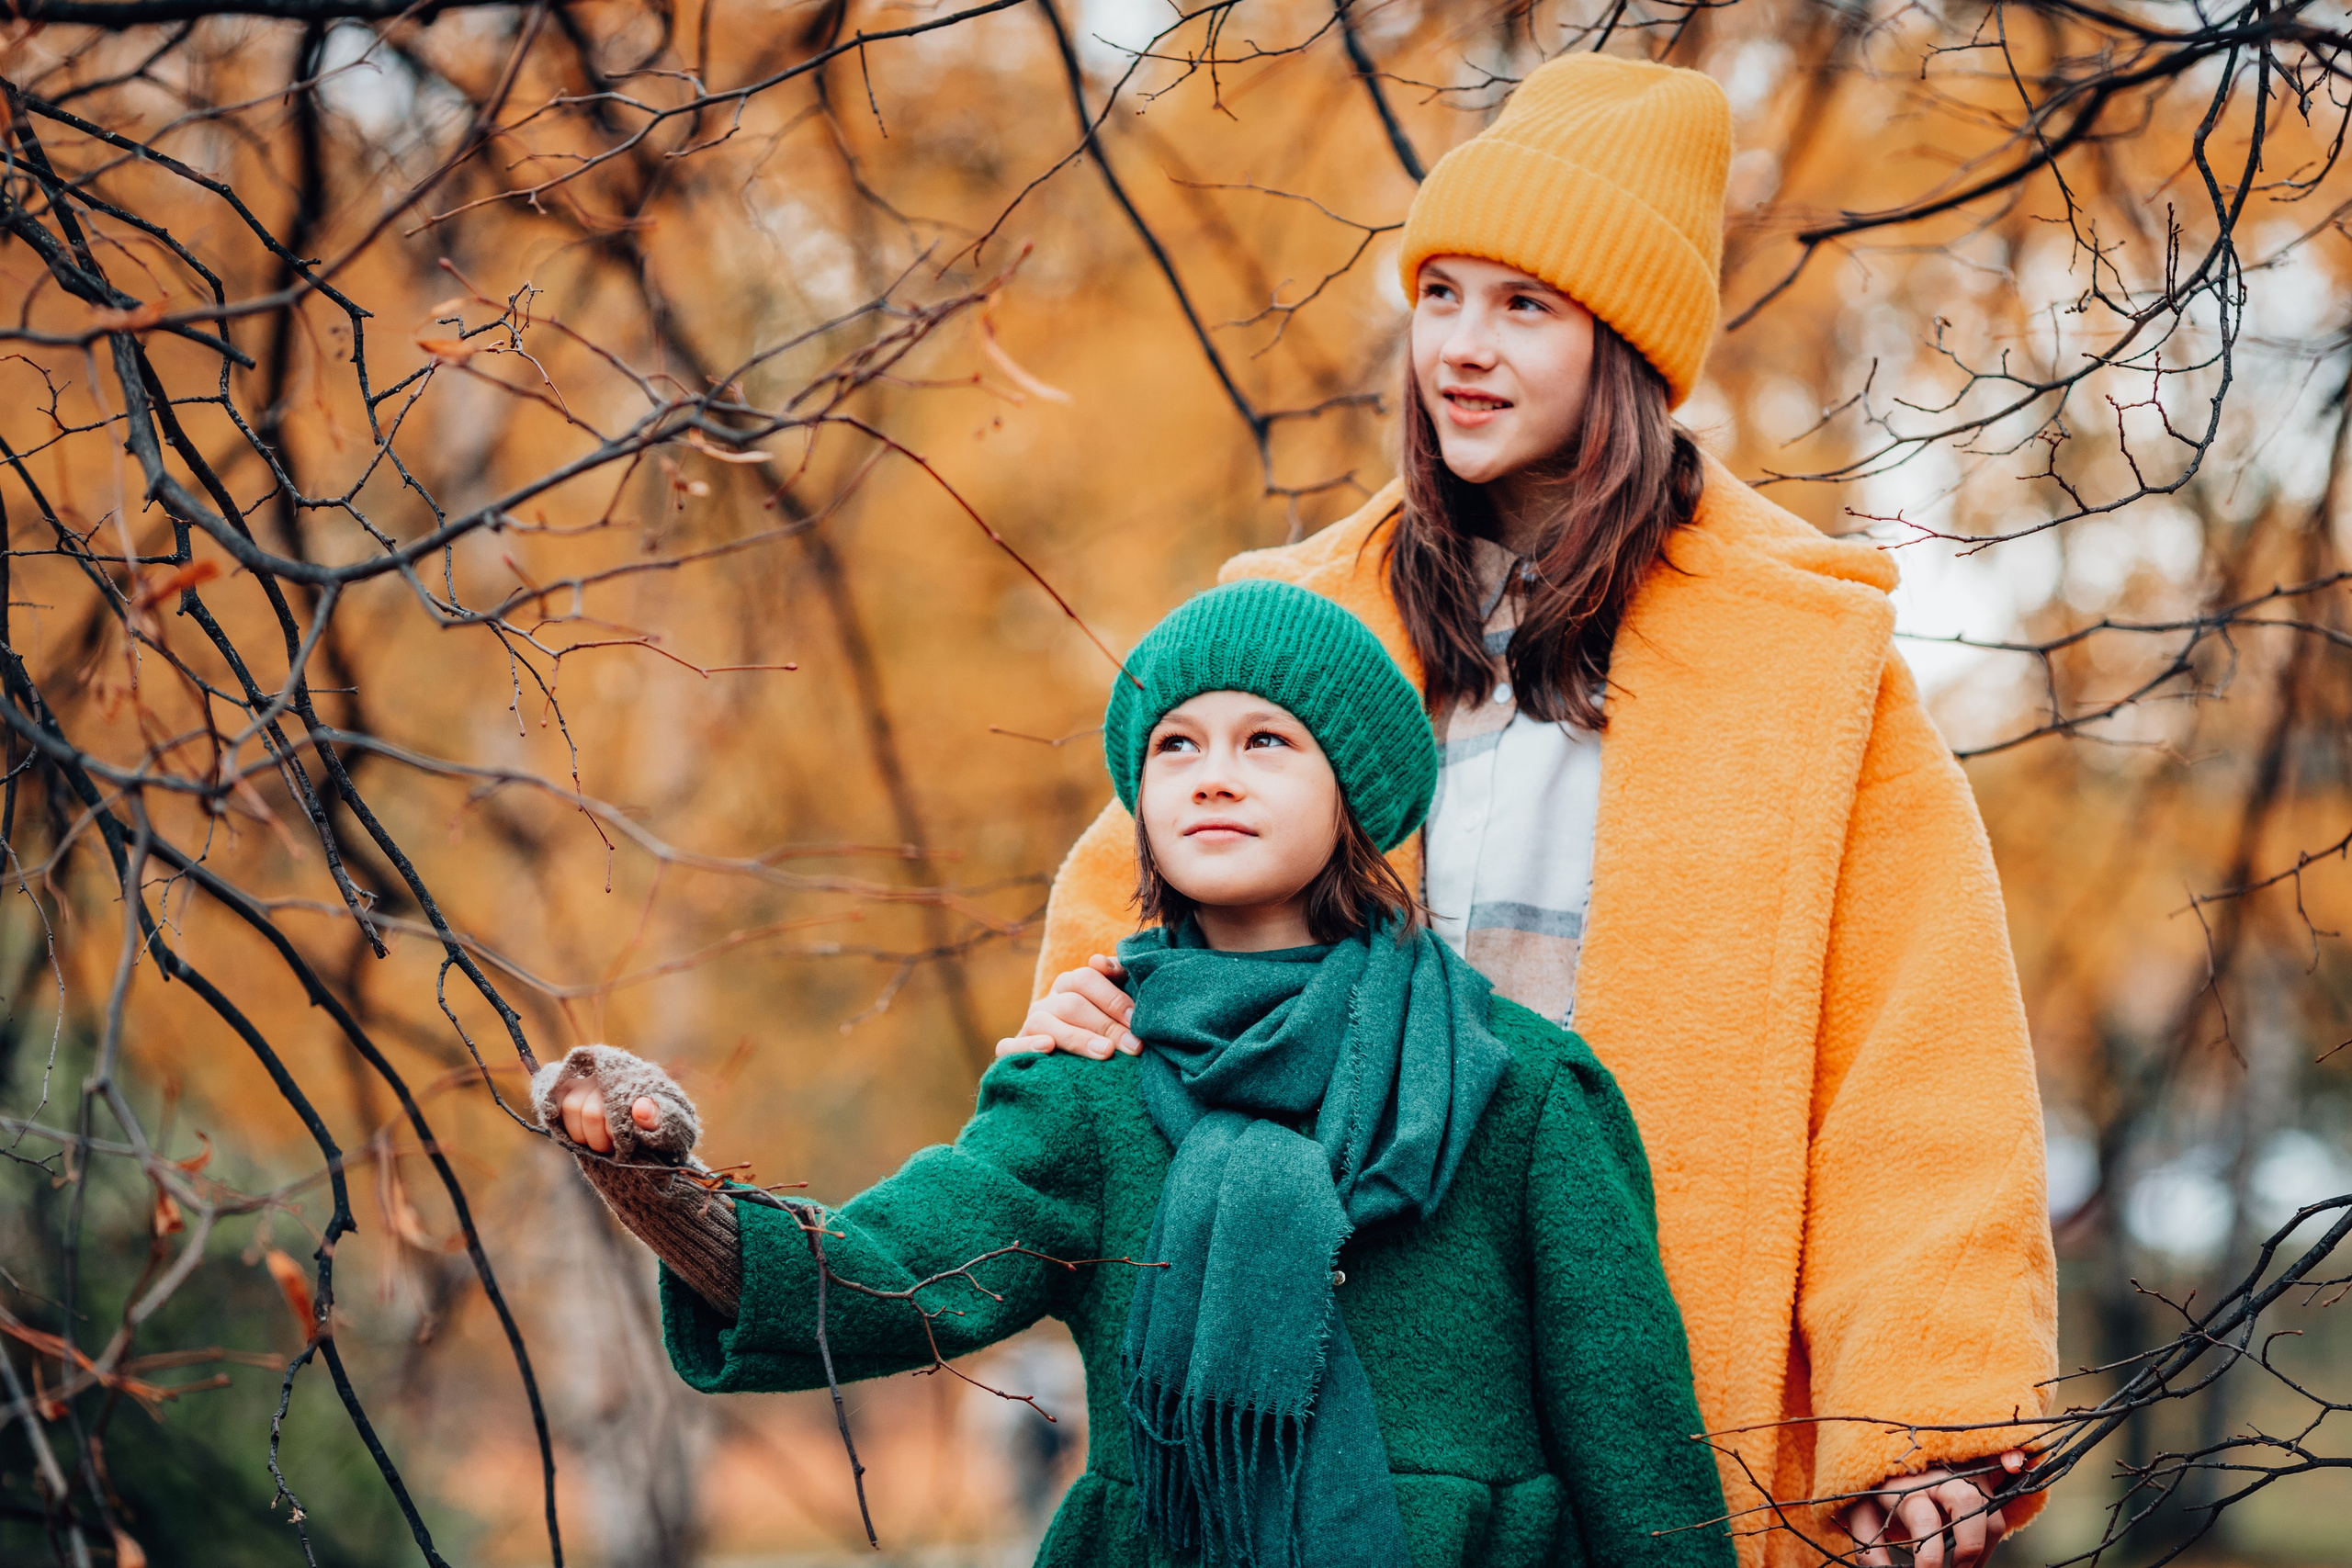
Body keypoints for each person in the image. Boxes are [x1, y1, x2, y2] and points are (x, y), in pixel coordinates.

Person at [1002, 52, 2056, 1568]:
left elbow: (1921, 1061)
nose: (1462, 350)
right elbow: (1129, 917)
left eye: (1524, 306)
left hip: (1660, 1361)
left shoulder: (1807, 669)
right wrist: (1079, 1022)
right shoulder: (1303, 627)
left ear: (1620, 346)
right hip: (1348, 1359)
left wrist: (1926, 1421)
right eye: (1441, 296)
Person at [536, 581, 1738, 1568]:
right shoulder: (1088, 1086)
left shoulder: (1516, 1085)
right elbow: (888, 1275)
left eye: (1266, 741)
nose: (1213, 774)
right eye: (1178, 746)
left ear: (1357, 800)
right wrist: (664, 1184)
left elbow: (1635, 1442)